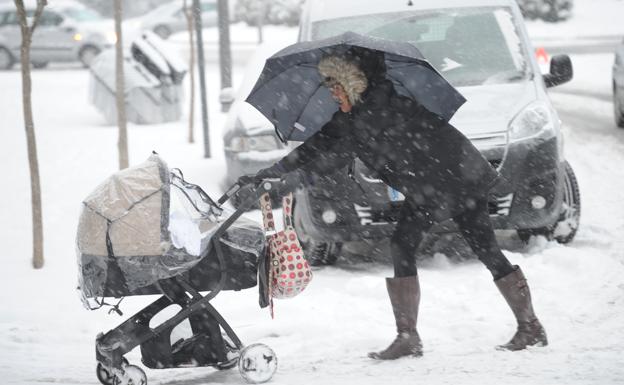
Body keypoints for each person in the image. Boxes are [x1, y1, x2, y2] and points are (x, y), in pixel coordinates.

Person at [239, 48, 548, 360]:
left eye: (335, 85)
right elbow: (317, 145)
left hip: (455, 177)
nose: (331, 93)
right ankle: (411, 336)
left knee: (479, 249)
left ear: (353, 84)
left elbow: (333, 158)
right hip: (432, 183)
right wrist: (270, 173)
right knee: (410, 245)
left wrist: (284, 186)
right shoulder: (353, 113)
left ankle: (527, 326)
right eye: (328, 86)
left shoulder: (375, 112)